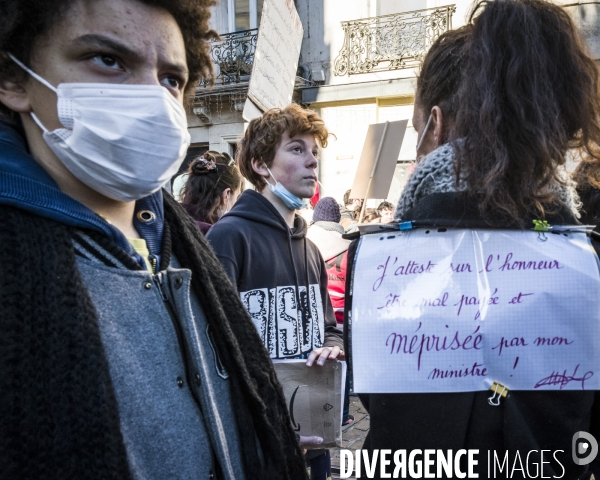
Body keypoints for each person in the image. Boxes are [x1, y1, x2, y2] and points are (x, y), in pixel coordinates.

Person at [0, 0, 307, 478]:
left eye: (171, 79)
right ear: (13, 78)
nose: (152, 98)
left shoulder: (182, 245)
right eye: (108, 59)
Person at [347, 2, 600, 478]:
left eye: (416, 128)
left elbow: (376, 394)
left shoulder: (378, 256)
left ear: (435, 125)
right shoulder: (586, 254)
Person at [206, 104, 344, 480]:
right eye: (297, 149)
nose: (312, 162)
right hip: (257, 445)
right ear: (260, 165)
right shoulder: (228, 238)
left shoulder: (311, 248)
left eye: (314, 152)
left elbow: (330, 327)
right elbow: (213, 349)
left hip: (312, 441)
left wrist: (332, 344)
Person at [306, 196, 353, 427]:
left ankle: (314, 415)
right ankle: (342, 415)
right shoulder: (350, 246)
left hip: (316, 316)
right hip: (342, 317)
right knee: (340, 367)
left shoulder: (303, 242)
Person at [180, 151, 243, 234]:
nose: (236, 203)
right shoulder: (218, 233)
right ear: (226, 195)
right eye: (237, 197)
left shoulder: (172, 217)